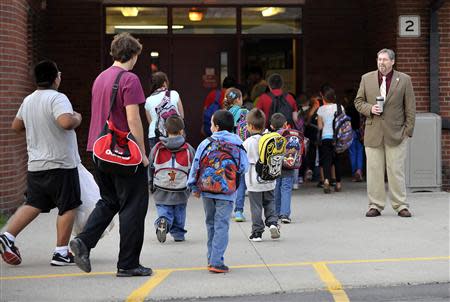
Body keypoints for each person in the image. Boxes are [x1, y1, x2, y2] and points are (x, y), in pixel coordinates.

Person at [71, 32, 151, 277]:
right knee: (133, 207)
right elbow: (132, 118)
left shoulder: (100, 78)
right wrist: (142, 153)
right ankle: (128, 264)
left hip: (99, 149)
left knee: (109, 200)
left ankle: (84, 241)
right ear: (134, 54)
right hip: (124, 153)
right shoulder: (130, 79)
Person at [0, 60, 82, 266]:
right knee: (68, 205)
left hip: (36, 164)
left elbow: (16, 126)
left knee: (34, 203)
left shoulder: (29, 100)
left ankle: (7, 236)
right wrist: (76, 118)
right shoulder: (57, 98)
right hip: (61, 163)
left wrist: (37, 125)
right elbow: (65, 122)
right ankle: (61, 252)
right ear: (55, 78)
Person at [354, 48, 416, 218]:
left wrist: (408, 131)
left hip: (396, 133)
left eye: (385, 60)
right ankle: (375, 205)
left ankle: (400, 205)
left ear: (392, 62)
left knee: (396, 170)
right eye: (379, 59)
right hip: (373, 132)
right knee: (374, 171)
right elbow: (358, 102)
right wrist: (370, 108)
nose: (381, 63)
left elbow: (410, 107)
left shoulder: (404, 80)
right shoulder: (366, 79)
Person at [187, 110, 248, 273]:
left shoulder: (205, 143)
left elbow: (196, 165)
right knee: (222, 225)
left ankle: (211, 258)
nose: (210, 127)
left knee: (211, 224)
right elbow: (244, 167)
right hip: (227, 192)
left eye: (211, 124)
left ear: (217, 127)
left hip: (207, 190)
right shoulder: (238, 144)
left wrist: (194, 186)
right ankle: (217, 261)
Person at [149, 115, 195, 243]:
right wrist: (193, 185)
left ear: (165, 130)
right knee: (180, 211)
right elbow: (194, 168)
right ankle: (178, 234)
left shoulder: (157, 147)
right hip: (181, 188)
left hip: (161, 187)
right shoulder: (188, 148)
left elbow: (150, 167)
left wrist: (150, 184)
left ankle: (163, 221)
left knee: (164, 208)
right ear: (182, 131)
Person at [244, 108, 281, 242]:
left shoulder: (248, 143)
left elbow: (243, 161)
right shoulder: (270, 139)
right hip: (270, 179)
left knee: (256, 207)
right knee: (270, 202)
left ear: (250, 126)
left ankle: (257, 232)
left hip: (254, 181)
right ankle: (272, 223)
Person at [223, 88, 247, 222]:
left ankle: (227, 209)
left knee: (228, 178)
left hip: (226, 149)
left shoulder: (223, 113)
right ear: (238, 99)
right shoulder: (243, 112)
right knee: (240, 180)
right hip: (239, 148)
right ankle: (238, 211)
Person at [145, 71, 184, 151]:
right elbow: (181, 116)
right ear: (164, 83)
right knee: (177, 160)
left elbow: (151, 122)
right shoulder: (174, 94)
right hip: (175, 133)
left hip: (155, 135)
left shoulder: (148, 100)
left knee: (157, 160)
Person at [317, 84, 345, 193]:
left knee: (326, 161)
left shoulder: (321, 109)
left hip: (326, 138)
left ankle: (327, 181)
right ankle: (338, 184)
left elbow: (320, 127)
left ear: (323, 97)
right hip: (337, 138)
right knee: (337, 161)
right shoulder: (340, 107)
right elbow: (343, 124)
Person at [270, 113, 294, 223]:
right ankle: (285, 214)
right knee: (286, 189)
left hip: (275, 166)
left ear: (271, 126)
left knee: (276, 189)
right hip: (288, 166)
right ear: (285, 124)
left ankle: (275, 212)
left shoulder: (271, 137)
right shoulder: (290, 135)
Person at [343, 88, 364, 182]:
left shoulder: (347, 108)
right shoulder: (359, 107)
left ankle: (354, 172)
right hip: (359, 131)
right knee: (360, 151)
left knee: (352, 153)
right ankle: (359, 171)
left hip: (350, 132)